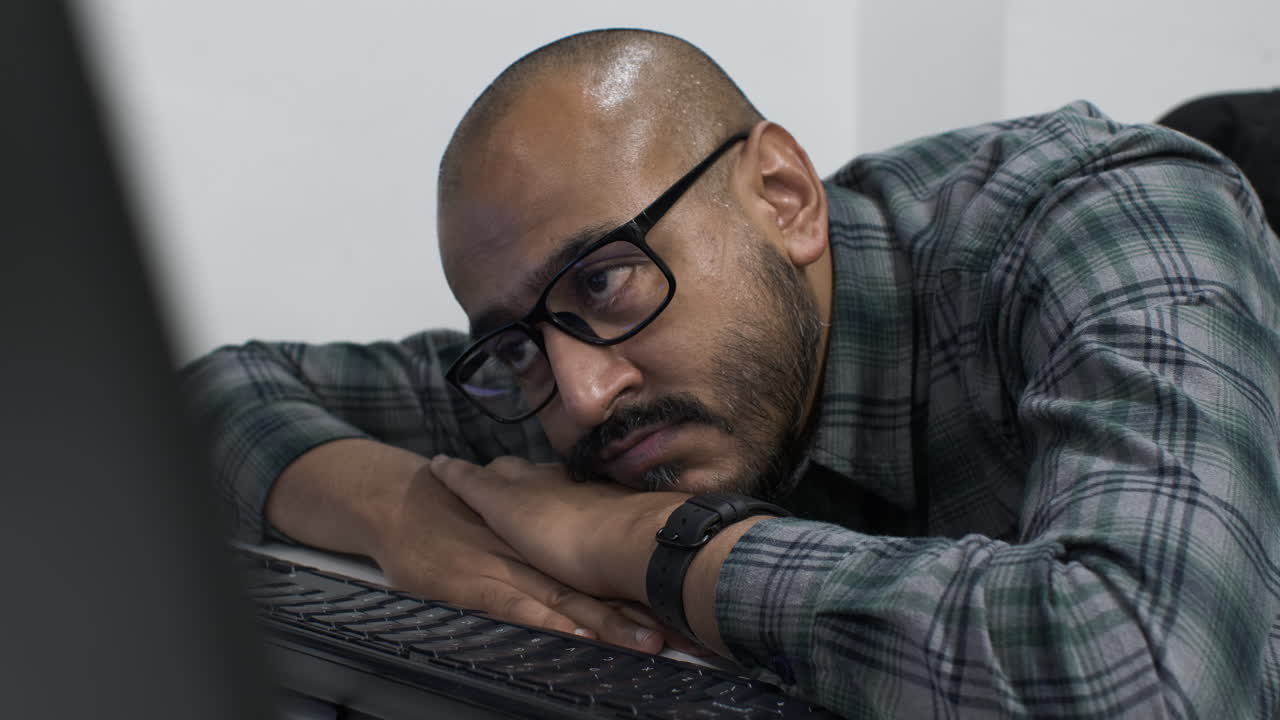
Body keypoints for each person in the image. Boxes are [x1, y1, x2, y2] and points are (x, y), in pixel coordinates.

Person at [182, 28, 1280, 718]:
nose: (578, 398)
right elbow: (206, 396)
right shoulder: (562, 371)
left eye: (606, 280)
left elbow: (1144, 678)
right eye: (518, 339)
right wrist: (401, 514)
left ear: (784, 197)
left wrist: (658, 549)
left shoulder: (1104, 211)